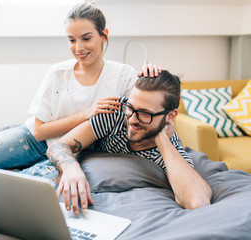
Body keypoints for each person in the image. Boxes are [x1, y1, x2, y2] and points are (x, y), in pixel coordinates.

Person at [0, 2, 161, 183]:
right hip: (32, 140)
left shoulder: (124, 75)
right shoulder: (58, 73)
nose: (78, 48)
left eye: (86, 38)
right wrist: (87, 113)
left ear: (103, 35)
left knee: (22, 191)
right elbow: (39, 130)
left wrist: (152, 76)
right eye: (72, 40)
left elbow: (148, 108)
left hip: (73, 151)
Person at [46, 70, 212, 215]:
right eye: (131, 108)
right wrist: (71, 169)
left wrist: (162, 139)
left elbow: (196, 202)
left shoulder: (169, 150)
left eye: (145, 114)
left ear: (170, 116)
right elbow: (58, 145)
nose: (132, 120)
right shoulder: (116, 113)